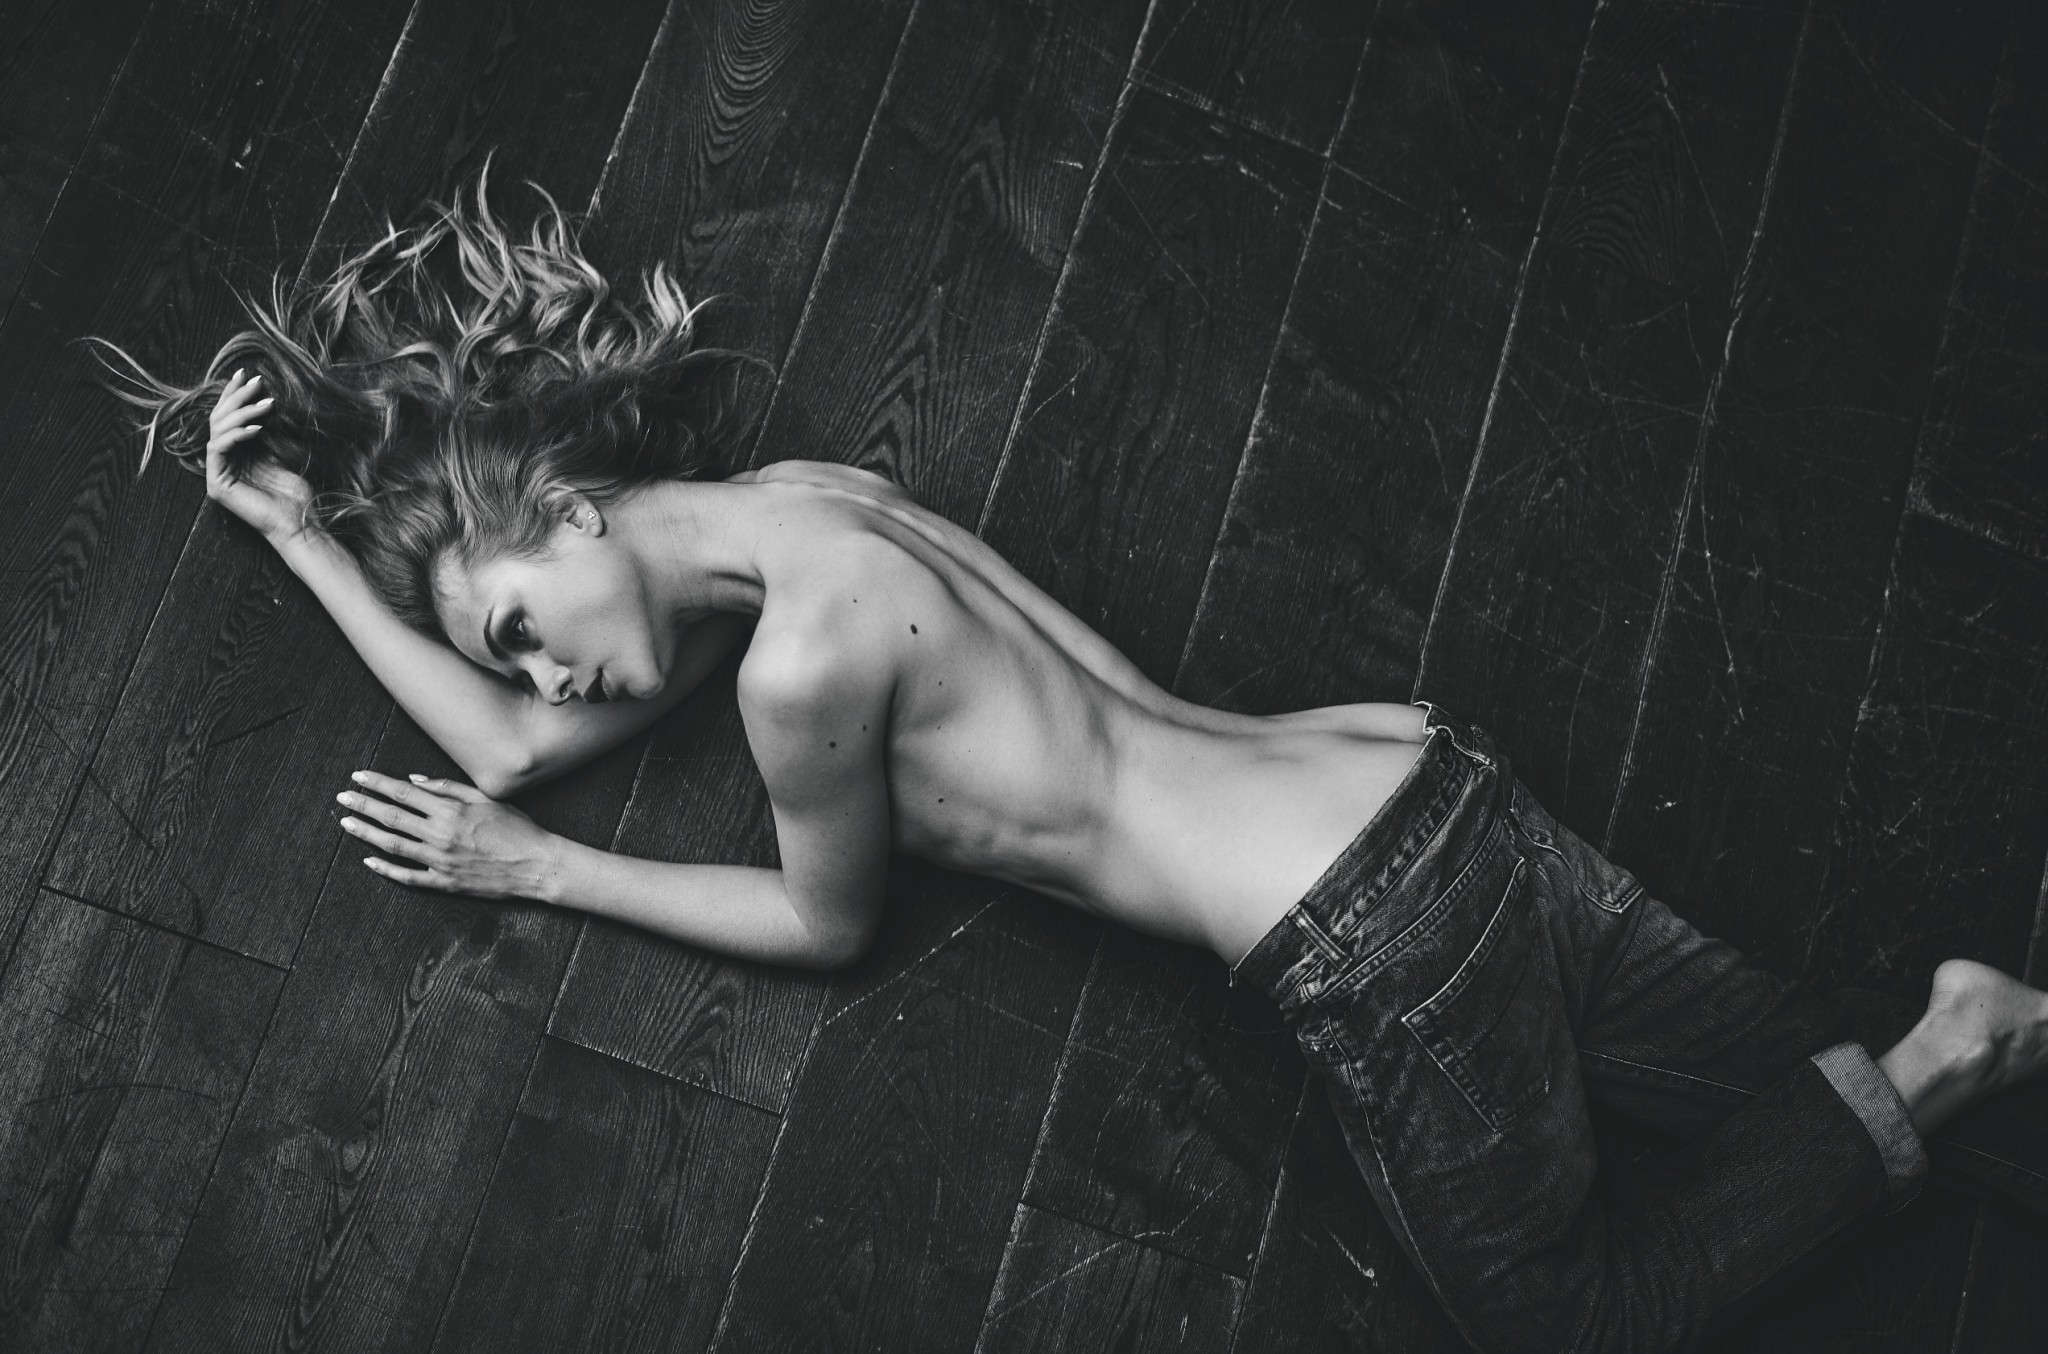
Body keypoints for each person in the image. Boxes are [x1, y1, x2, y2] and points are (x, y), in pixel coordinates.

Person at [101, 178, 2048, 1352]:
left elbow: (824, 923)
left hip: (1369, 933)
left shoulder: (801, 667)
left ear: (567, 501)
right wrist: (300, 538)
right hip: (1427, 790)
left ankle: (1956, 1046)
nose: (538, 671)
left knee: (1562, 1317)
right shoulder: (806, 505)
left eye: (520, 616)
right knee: (1805, 1075)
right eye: (510, 650)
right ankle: (1975, 1054)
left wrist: (541, 875)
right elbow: (520, 740)